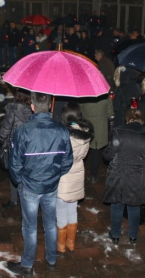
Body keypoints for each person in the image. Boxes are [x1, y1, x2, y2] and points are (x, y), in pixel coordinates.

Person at [7, 92, 73, 276]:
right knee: (50, 223)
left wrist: (20, 180)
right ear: (50, 107)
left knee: (29, 226)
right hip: (50, 185)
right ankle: (51, 259)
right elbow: (68, 160)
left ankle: (27, 264)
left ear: (32, 106)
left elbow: (15, 162)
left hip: (30, 186)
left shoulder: (23, 130)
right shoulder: (61, 130)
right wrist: (55, 174)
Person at [104, 109, 145, 245]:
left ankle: (115, 235)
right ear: (141, 120)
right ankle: (133, 236)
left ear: (127, 119)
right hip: (138, 177)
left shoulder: (119, 132)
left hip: (119, 175)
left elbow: (108, 155)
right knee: (134, 207)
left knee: (117, 205)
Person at [56, 102, 93, 254]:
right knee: (72, 209)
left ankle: (61, 245)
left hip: (64, 176)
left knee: (61, 211)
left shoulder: (63, 135)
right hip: (78, 172)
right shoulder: (85, 132)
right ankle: (71, 243)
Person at [0, 89, 33, 209]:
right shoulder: (33, 112)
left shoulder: (12, 112)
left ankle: (14, 201)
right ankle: (27, 200)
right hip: (29, 147)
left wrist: (4, 143)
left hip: (14, 147)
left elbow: (4, 132)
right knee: (27, 173)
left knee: (14, 173)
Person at [80, 94, 114, 184]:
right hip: (100, 127)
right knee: (96, 152)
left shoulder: (84, 96)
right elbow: (110, 113)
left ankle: (81, 175)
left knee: (83, 151)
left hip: (87, 126)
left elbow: (80, 112)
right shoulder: (105, 96)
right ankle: (93, 176)